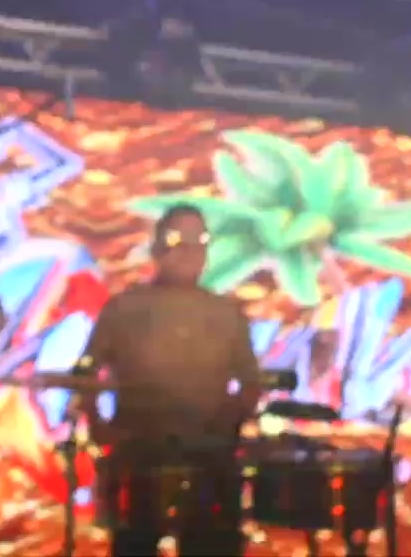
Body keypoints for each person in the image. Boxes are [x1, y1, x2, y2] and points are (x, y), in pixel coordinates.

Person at [74, 203, 263, 557]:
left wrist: (231, 424)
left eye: (200, 241)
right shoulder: (124, 308)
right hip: (139, 454)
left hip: (209, 456)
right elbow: (85, 375)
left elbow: (251, 382)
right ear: (158, 248)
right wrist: (99, 427)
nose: (191, 252)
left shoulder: (226, 313)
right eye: (180, 241)